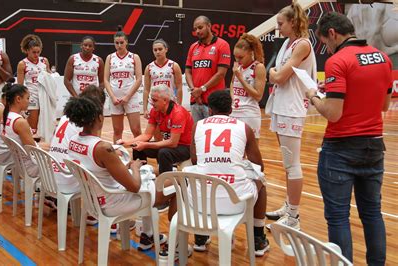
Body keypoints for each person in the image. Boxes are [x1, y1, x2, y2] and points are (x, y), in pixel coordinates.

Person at [306, 12, 392, 264]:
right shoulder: (384, 57)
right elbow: (385, 105)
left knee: (338, 217)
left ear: (332, 33)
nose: (327, 47)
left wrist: (314, 97)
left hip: (341, 146)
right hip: (375, 144)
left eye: (325, 41)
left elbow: (333, 114)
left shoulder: (337, 61)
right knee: (372, 213)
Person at [64, 95, 179, 252]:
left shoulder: (73, 141)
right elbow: (134, 186)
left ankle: (149, 234)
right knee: (178, 183)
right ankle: (176, 244)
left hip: (94, 199)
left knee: (149, 174)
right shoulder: (103, 148)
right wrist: (135, 167)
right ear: (99, 117)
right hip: (114, 202)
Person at [186, 90, 269, 255]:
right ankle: (258, 239)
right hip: (235, 203)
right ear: (231, 110)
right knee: (261, 180)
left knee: (198, 175)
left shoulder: (198, 126)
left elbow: (195, 160)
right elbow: (258, 165)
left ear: (209, 110)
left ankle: (201, 237)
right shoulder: (244, 127)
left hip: (202, 202)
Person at [266, 3, 317, 230]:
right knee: (287, 164)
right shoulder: (288, 43)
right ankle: (289, 206)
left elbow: (279, 77)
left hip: (292, 108)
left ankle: (294, 217)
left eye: (280, 23)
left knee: (293, 164)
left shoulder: (302, 44)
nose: (278, 28)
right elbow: (275, 75)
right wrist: (274, 74)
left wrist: (273, 74)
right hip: (280, 105)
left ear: (293, 22)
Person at [49, 84, 106, 225]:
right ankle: (99, 213)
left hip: (50, 175)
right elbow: (93, 154)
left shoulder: (66, 117)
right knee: (102, 171)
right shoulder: (86, 123)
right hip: (66, 178)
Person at [117, 84, 193, 176]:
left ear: (165, 100)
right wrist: (127, 143)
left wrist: (146, 144)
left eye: (155, 100)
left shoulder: (178, 113)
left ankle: (165, 180)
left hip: (185, 147)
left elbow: (173, 142)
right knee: (137, 147)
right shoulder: (155, 111)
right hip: (170, 145)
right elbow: (147, 135)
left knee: (164, 152)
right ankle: (141, 175)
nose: (152, 103)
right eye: (151, 99)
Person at [185, 15, 231, 122]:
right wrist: (194, 91)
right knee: (198, 135)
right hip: (195, 100)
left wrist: (201, 90)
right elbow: (187, 72)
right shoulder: (193, 47)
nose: (197, 31)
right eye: (195, 29)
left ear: (209, 26)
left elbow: (221, 74)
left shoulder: (223, 45)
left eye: (200, 27)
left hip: (214, 103)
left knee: (213, 136)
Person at [1, 83, 49, 178]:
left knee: (48, 145)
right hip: (29, 166)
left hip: (17, 161)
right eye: (27, 98)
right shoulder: (20, 122)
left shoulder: (6, 116)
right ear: (18, 99)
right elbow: (32, 149)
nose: (29, 101)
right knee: (55, 151)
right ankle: (50, 190)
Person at [104, 27, 142, 142]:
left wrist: (127, 97)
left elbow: (139, 79)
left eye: (121, 42)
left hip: (130, 98)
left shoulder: (134, 57)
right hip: (115, 99)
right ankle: (118, 157)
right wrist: (112, 97)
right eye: (116, 43)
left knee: (136, 129)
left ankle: (140, 156)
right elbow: (106, 80)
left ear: (126, 42)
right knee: (117, 130)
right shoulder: (110, 57)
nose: (119, 45)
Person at [230, 34, 266, 143]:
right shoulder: (238, 67)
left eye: (241, 57)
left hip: (249, 113)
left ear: (251, 53)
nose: (237, 60)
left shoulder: (258, 67)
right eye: (235, 57)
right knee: (234, 149)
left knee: (251, 152)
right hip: (234, 112)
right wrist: (233, 98)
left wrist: (241, 78)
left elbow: (258, 96)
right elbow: (232, 84)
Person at [16, 34, 51, 134]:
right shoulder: (22, 64)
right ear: (27, 51)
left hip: (44, 94)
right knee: (33, 126)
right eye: (34, 52)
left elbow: (50, 78)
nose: (36, 54)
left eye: (38, 52)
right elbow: (20, 85)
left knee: (45, 124)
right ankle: (32, 146)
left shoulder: (44, 61)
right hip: (32, 96)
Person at [143, 39, 183, 118]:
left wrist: (179, 106)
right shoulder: (149, 67)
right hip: (154, 104)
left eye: (160, 49)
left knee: (170, 128)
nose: (157, 52)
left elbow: (179, 88)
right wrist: (145, 109)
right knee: (155, 129)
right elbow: (146, 90)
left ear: (166, 49)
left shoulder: (174, 66)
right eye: (155, 50)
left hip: (169, 104)